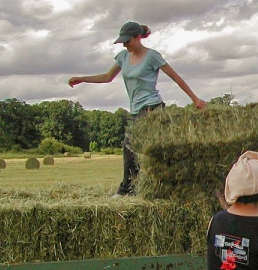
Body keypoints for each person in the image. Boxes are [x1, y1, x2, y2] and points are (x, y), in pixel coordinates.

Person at [68, 21, 206, 196]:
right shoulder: (123, 57)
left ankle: (126, 190)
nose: (125, 44)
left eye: (127, 41)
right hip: (135, 110)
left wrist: (195, 99)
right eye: (123, 42)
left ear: (137, 37)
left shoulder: (152, 56)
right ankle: (144, 187)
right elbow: (107, 77)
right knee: (142, 151)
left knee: (129, 146)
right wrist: (82, 79)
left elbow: (175, 77)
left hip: (152, 108)